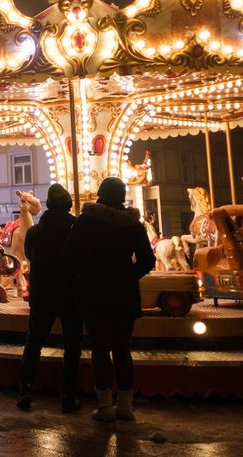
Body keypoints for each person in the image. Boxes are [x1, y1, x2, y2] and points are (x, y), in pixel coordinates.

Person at [64, 176, 155, 423]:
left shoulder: (87, 221)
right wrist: (127, 275)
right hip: (124, 295)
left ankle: (104, 407)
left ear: (101, 194)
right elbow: (148, 261)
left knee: (100, 350)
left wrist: (80, 279)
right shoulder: (133, 225)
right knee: (123, 349)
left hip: (94, 293)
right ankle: (126, 406)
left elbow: (71, 256)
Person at [16, 184, 82, 413]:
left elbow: (29, 255)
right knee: (72, 344)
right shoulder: (76, 229)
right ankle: (69, 394)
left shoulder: (35, 232)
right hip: (70, 294)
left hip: (42, 293)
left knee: (34, 340)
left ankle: (25, 387)